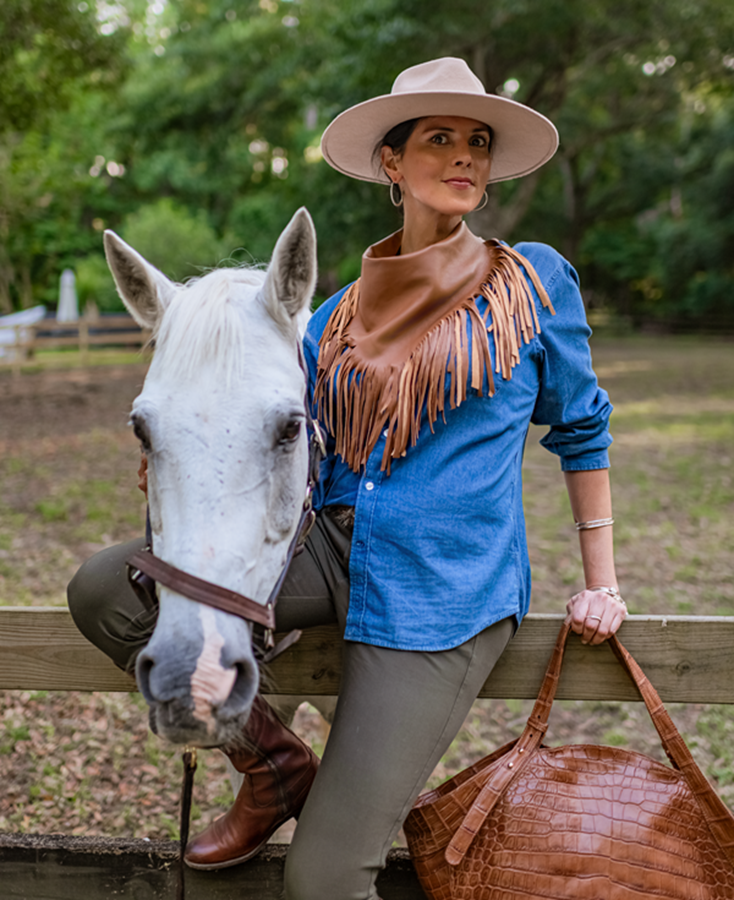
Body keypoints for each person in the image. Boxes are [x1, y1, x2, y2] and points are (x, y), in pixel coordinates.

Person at [67, 57, 625, 900]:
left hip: (443, 594)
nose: (465, 155)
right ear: (392, 165)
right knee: (108, 589)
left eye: (477, 141)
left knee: (325, 879)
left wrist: (602, 583)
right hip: (329, 551)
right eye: (440, 139)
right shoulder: (330, 315)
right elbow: (263, 422)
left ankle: (317, 804)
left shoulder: (531, 283)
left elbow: (582, 426)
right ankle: (275, 766)